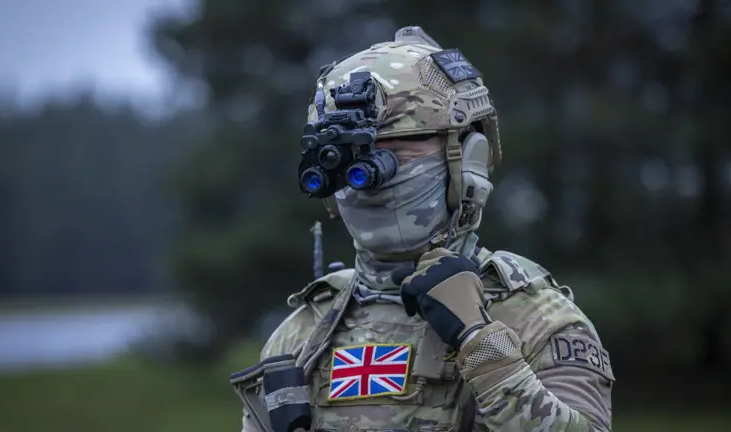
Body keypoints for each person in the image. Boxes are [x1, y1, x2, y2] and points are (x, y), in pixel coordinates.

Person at [232, 26, 614, 432]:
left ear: (468, 157)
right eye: (353, 155)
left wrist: (478, 341)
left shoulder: (535, 318)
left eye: (398, 149)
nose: (374, 178)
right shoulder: (305, 332)